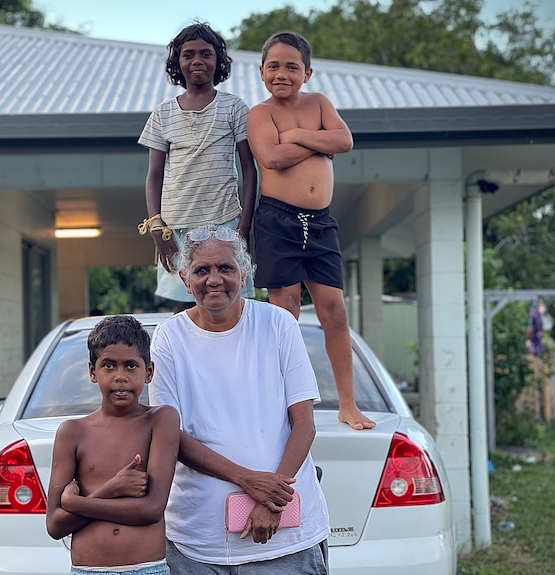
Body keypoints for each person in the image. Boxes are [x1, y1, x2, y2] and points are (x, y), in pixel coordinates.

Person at [149, 224, 330, 574]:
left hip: (286, 538)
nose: (213, 279)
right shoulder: (168, 339)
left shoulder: (278, 324)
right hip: (197, 542)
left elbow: (304, 424)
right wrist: (249, 480)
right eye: (202, 270)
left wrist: (272, 501)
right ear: (185, 279)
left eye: (225, 268)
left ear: (244, 274)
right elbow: (171, 436)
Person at [246, 31, 375, 431]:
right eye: (274, 66)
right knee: (284, 314)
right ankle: (284, 406)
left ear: (307, 72)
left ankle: (347, 405)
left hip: (320, 224)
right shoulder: (260, 114)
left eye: (291, 67)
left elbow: (345, 140)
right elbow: (271, 157)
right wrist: (323, 143)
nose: (282, 73)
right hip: (277, 221)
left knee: (334, 311)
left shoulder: (319, 104)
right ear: (262, 72)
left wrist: (301, 135)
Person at [46, 315, 180, 575]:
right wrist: (112, 489)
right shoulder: (73, 432)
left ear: (148, 372)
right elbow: (55, 525)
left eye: (130, 366)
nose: (120, 376)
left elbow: (151, 510)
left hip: (146, 569)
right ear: (92, 371)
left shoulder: (160, 420)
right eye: (109, 366)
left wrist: (76, 503)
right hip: (88, 570)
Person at [138, 22, 257, 309]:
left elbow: (249, 170)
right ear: (177, 62)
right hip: (176, 228)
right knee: (186, 308)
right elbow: (154, 177)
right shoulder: (162, 114)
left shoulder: (234, 108)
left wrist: (244, 226)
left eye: (206, 54)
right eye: (188, 54)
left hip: (225, 222)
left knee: (229, 304)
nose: (197, 61)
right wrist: (158, 229)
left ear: (218, 61)